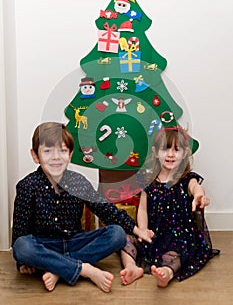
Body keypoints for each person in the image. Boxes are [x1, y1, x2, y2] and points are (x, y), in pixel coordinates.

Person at [12, 122, 152, 292]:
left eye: (62, 151)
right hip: (45, 246)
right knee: (22, 246)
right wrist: (22, 263)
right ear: (35, 155)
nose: (55, 157)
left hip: (75, 243)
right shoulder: (27, 186)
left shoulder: (78, 182)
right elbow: (19, 234)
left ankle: (59, 269)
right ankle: (84, 269)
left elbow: (105, 210)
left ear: (70, 154)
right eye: (47, 151)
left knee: (117, 234)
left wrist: (137, 230)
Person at [120, 126, 219, 288]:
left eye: (177, 150)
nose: (171, 154)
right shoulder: (149, 181)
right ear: (155, 152)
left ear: (185, 153)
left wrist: (199, 195)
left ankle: (166, 272)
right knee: (125, 239)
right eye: (165, 149)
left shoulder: (187, 179)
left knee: (178, 251)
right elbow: (143, 209)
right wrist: (143, 230)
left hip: (179, 236)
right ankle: (131, 267)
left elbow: (195, 188)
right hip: (154, 235)